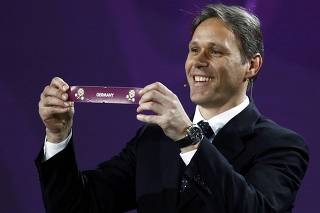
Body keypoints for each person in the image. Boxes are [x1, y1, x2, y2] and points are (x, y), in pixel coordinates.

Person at [36, 3, 309, 213]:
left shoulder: (280, 146)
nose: (198, 62)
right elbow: (76, 207)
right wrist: (57, 136)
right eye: (194, 49)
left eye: (215, 51)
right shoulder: (154, 140)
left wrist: (187, 136)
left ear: (251, 65)